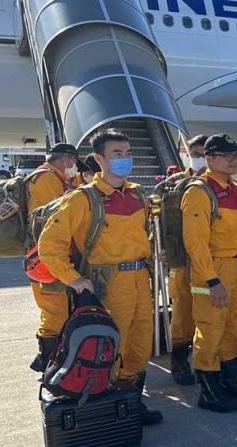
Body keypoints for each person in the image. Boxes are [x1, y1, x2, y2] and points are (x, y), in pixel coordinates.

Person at [38, 129, 162, 425]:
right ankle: (103, 409)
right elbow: (49, 245)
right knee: (108, 349)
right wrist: (75, 280)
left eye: (128, 153)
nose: (125, 159)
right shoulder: (83, 199)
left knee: (140, 346)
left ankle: (130, 401)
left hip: (140, 282)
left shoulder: (137, 194)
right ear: (98, 159)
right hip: (109, 287)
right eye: (117, 154)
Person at [182, 134, 237, 412]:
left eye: (236, 155)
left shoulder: (234, 188)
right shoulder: (199, 192)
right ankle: (209, 390)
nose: (234, 160)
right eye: (227, 155)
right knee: (210, 328)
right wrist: (212, 280)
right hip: (214, 269)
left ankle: (230, 379)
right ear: (209, 159)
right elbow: (196, 243)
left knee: (231, 326)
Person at [26, 142, 80, 373]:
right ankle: (47, 360)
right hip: (46, 259)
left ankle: (50, 358)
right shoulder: (46, 180)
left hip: (53, 257)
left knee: (59, 309)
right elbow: (60, 214)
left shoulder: (59, 179)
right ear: (66, 159)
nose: (75, 168)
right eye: (74, 162)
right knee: (55, 311)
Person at [160, 134, 208, 386]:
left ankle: (207, 364)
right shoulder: (173, 186)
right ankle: (179, 361)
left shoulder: (223, 185)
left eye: (205, 154)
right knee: (182, 315)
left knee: (210, 316)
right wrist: (160, 249)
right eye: (197, 154)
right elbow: (159, 222)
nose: (202, 160)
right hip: (181, 261)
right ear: (188, 155)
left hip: (212, 261)